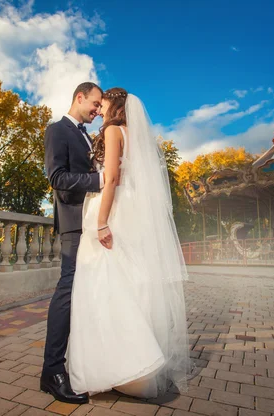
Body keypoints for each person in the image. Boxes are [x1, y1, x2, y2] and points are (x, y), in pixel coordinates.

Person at [66, 87, 191, 398]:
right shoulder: (134, 134)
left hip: (113, 210)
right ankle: (139, 363)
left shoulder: (112, 131)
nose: (99, 109)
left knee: (102, 285)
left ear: (114, 105)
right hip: (134, 211)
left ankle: (121, 364)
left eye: (103, 103)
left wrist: (102, 222)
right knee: (131, 283)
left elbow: (110, 180)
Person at [41, 82, 105, 404]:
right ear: (79, 97)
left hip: (89, 221)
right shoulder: (57, 130)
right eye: (94, 104)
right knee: (67, 290)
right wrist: (100, 180)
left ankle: (82, 363)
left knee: (86, 291)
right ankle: (53, 372)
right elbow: (57, 178)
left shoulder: (86, 135)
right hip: (72, 224)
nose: (97, 111)